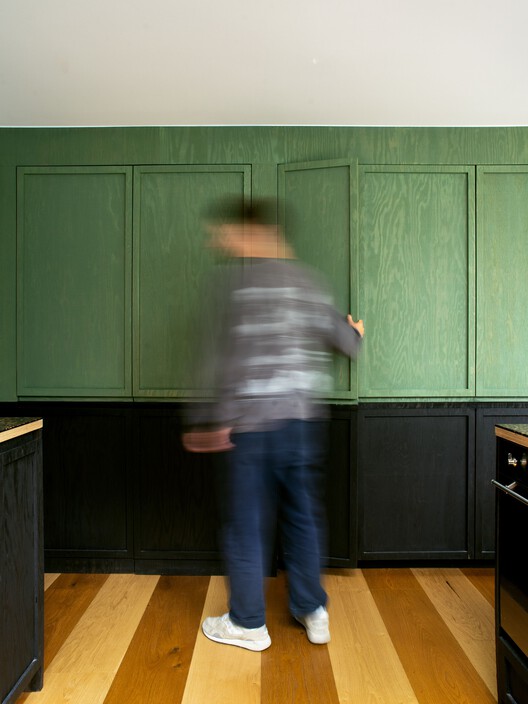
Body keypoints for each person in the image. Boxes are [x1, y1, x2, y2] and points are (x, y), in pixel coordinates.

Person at [183, 197, 364, 651]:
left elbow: (217, 359)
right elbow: (347, 343)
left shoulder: (232, 285)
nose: (222, 241)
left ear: (253, 231)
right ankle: (312, 610)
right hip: (302, 423)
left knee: (246, 523)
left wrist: (207, 419)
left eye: (228, 233)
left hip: (249, 426)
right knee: (303, 516)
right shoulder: (309, 283)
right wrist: (356, 332)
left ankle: (247, 623)